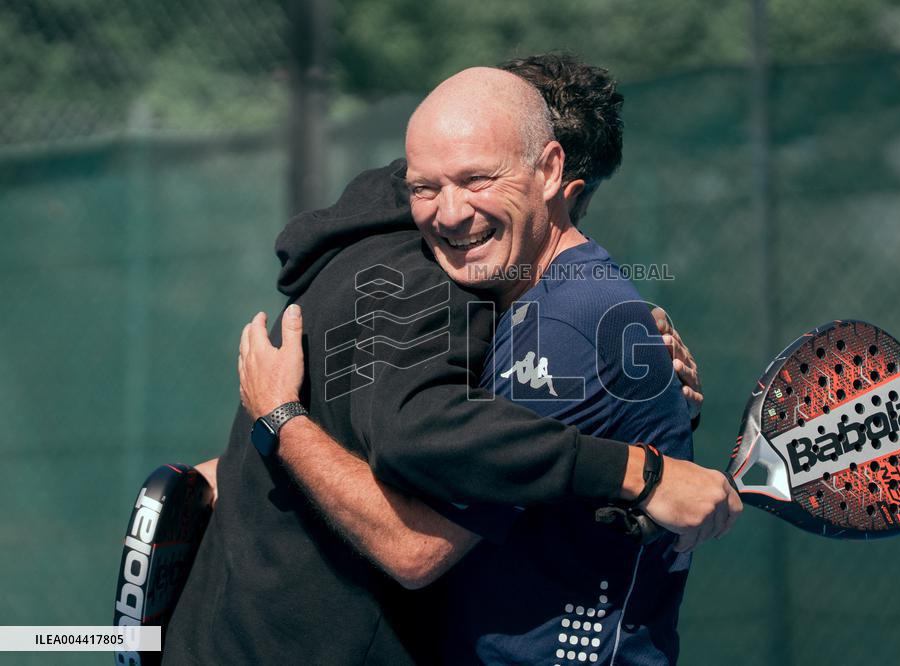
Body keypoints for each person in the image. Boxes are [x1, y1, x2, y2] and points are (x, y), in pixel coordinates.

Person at [164, 57, 738, 665]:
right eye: (428, 186)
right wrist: (253, 453)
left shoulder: (558, 320)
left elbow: (414, 542)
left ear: (550, 171)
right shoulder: (466, 290)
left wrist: (279, 420)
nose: (453, 210)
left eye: (480, 177)